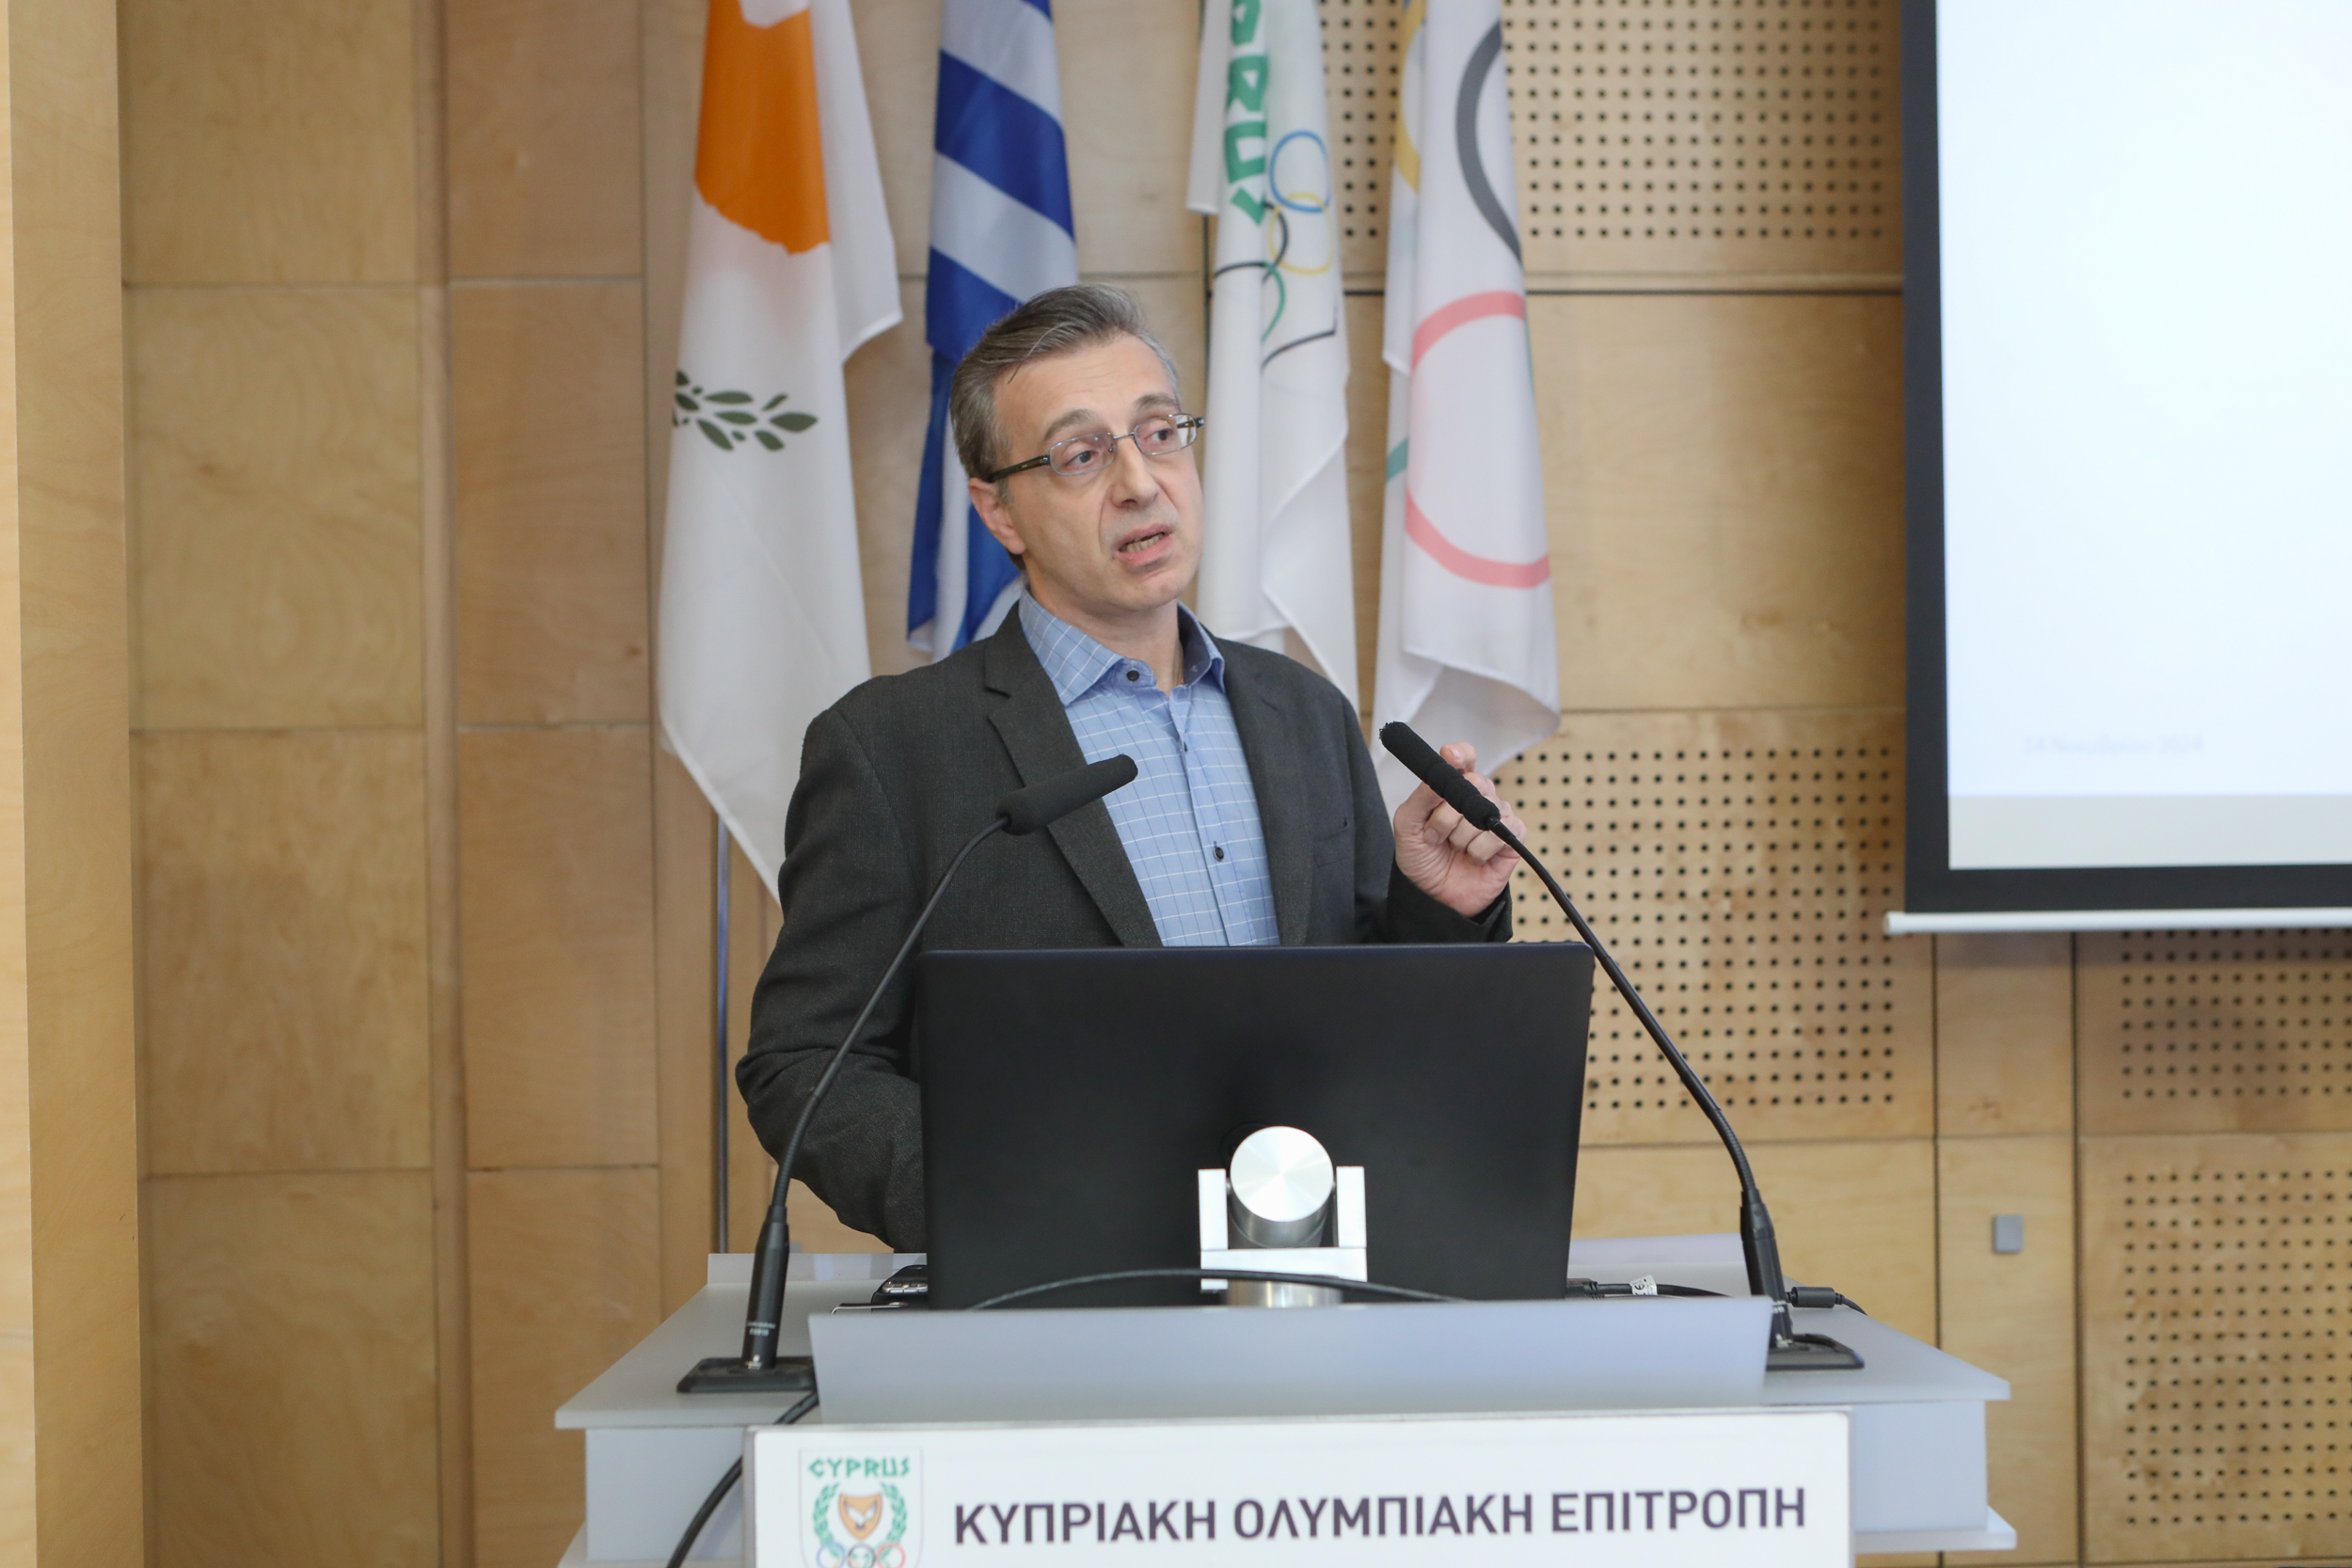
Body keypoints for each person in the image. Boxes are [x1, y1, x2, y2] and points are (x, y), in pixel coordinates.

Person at [738, 284, 1529, 1248]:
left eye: (1159, 434)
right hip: (1059, 1297)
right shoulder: (893, 747)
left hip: (1315, 1272)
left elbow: (1373, 1017)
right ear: (999, 511)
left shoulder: (1303, 713)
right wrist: (994, 1206)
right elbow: (807, 1060)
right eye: (1081, 455)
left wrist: (1440, 906)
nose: (1140, 483)